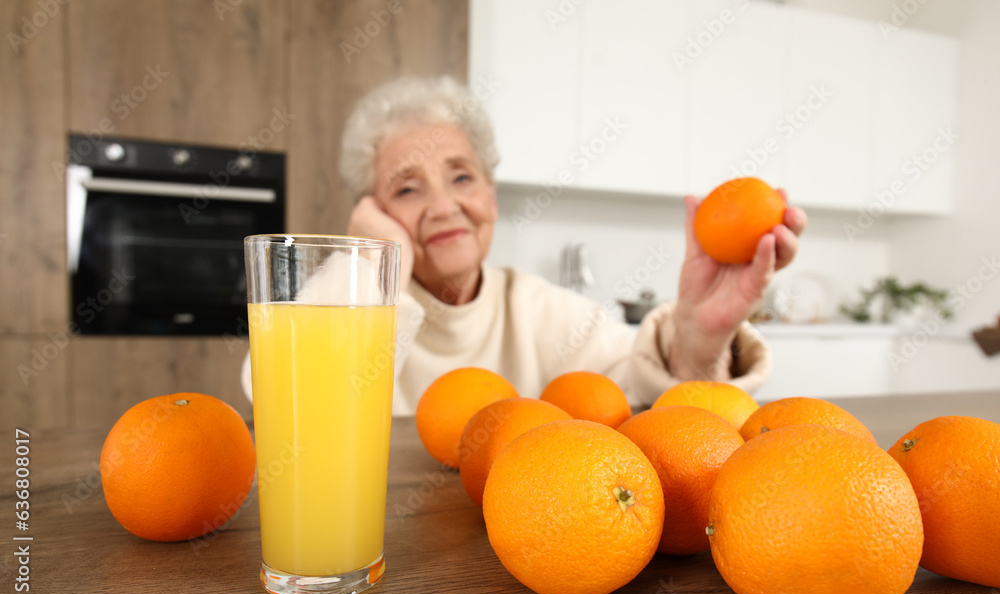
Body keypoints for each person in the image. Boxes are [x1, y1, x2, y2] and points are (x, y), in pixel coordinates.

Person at [242, 75, 807, 414]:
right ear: (373, 212)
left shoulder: (542, 311)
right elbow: (289, 406)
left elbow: (661, 406)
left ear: (490, 192)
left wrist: (699, 337)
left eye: (461, 177)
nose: (443, 205)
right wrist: (373, 262)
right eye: (407, 188)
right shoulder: (349, 297)